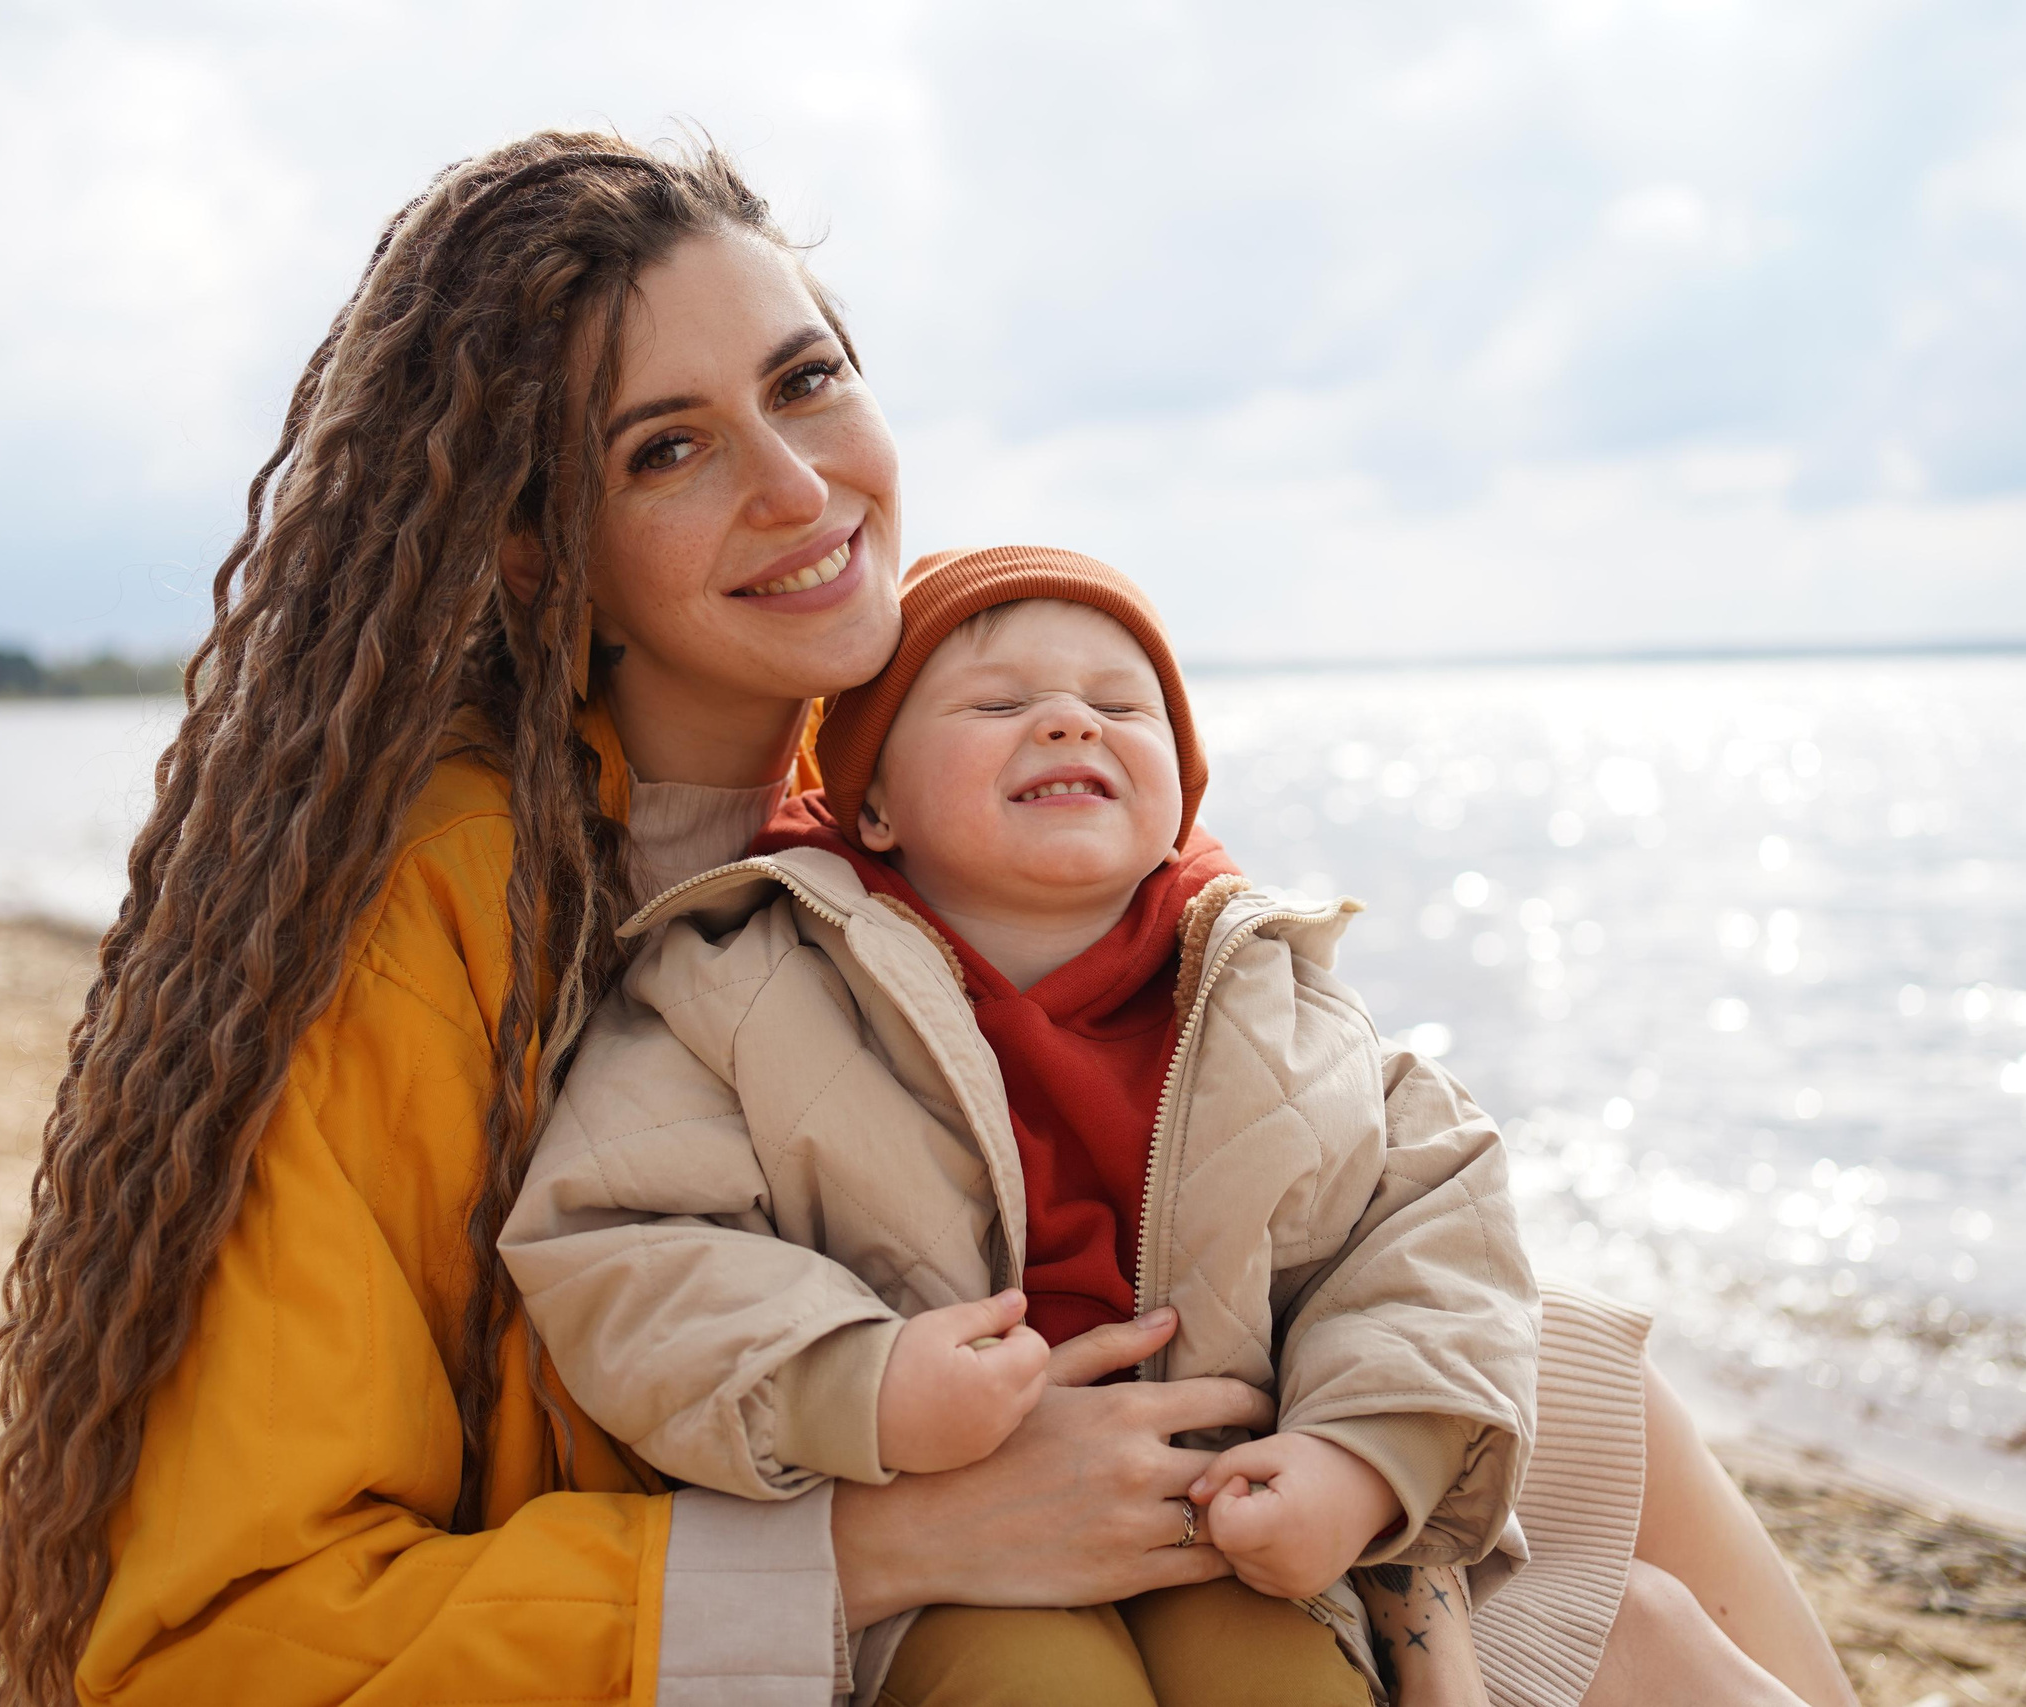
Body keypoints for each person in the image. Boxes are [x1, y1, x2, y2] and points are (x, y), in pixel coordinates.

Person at [0, 129, 1856, 1707]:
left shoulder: (898, 763)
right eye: (667, 447)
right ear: (540, 539)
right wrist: (895, 1536)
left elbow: (1234, 1105)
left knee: (1611, 1422)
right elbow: (218, 1647)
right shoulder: (422, 909)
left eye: (806, 381)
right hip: (800, 1581)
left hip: (1161, 1504)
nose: (800, 486)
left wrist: (1344, 1461)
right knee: (1653, 1659)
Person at [503, 547, 1540, 1704]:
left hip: (1223, 1524)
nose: (1065, 724)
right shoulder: (742, 982)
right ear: (875, 803)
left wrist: (1361, 1459)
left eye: (1117, 705)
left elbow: (1432, 1240)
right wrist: (858, 1379)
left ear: (1179, 798)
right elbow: (625, 1233)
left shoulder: (1274, 998)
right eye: (998, 704)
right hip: (937, 1545)